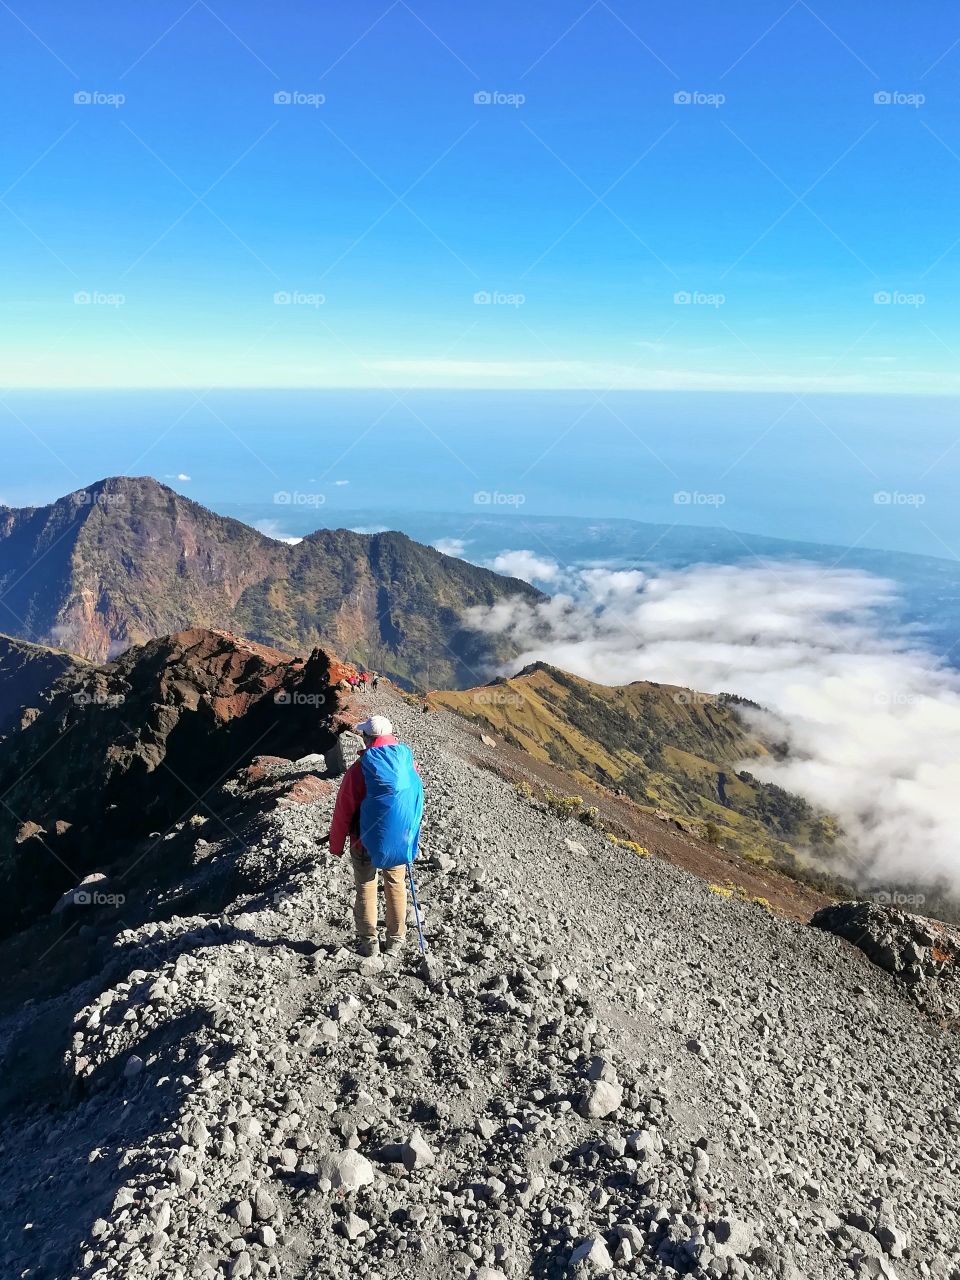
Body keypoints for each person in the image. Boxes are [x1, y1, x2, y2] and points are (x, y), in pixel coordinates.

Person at [328, 715, 424, 957]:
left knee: (366, 886)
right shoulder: (408, 764)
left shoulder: (359, 770)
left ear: (367, 738)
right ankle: (396, 940)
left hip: (364, 842)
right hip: (398, 839)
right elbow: (414, 799)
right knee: (395, 884)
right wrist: (410, 837)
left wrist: (336, 845)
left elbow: (343, 811)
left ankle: (369, 943)